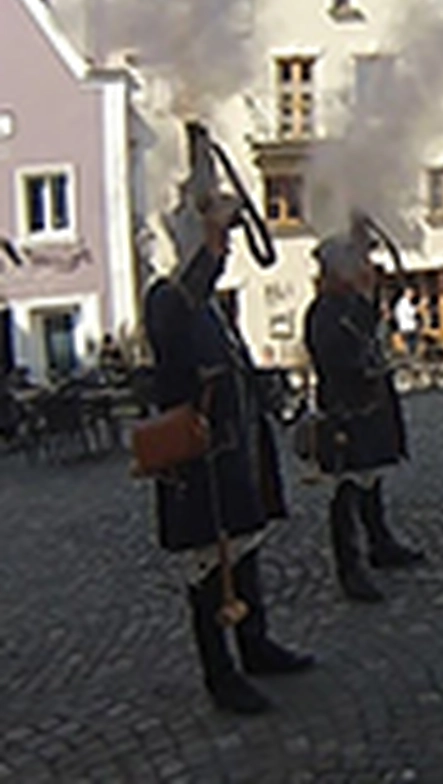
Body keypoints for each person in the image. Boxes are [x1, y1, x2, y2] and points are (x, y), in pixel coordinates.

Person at [145, 192, 312, 716]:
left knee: (245, 552)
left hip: (233, 453)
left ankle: (256, 645)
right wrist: (214, 239)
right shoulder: (166, 298)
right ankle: (222, 674)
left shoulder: (211, 308)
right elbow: (180, 310)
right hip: (196, 462)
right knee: (208, 572)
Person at [304, 234, 423, 604]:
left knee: (371, 480)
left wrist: (375, 292)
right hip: (345, 412)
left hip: (366, 407)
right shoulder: (325, 310)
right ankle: (350, 568)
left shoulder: (350, 304)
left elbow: (369, 323)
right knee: (347, 491)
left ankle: (380, 541)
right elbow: (341, 354)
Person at [393, 288, 420, 358]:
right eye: (411, 294)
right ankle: (411, 357)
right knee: (412, 344)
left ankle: (410, 356)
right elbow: (411, 313)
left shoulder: (401, 302)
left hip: (404, 326)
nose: (412, 295)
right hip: (408, 327)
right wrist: (420, 307)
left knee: (410, 343)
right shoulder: (404, 302)